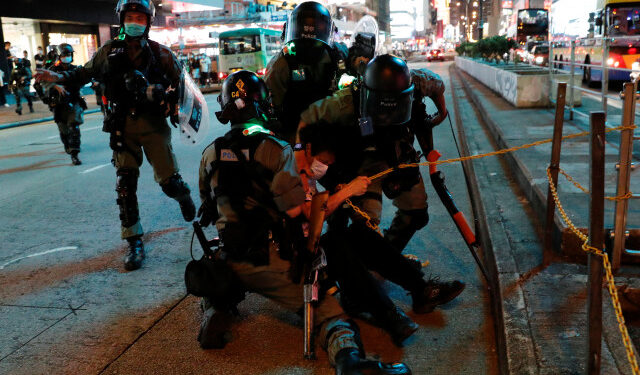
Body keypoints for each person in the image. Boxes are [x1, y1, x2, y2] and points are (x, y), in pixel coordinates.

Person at [197, 69, 411, 374]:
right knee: (332, 315)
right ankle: (350, 362)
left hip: (230, 259)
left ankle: (214, 309)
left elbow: (206, 203)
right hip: (272, 262)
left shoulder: (210, 153)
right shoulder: (276, 150)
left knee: (212, 272)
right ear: (264, 105)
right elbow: (300, 214)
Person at [35, 0, 196, 271]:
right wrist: (55, 77)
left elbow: (184, 89)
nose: (134, 22)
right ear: (122, 20)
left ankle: (183, 196)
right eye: (130, 17)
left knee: (170, 182)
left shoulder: (161, 54)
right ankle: (133, 240)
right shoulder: (108, 53)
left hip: (154, 126)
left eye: (140, 18)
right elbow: (81, 75)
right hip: (122, 125)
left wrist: (166, 98)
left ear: (148, 22)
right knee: (125, 185)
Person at [299, 54, 448, 253]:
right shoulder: (346, 100)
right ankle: (369, 261)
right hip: (365, 158)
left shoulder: (417, 82)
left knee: (417, 213)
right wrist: (301, 156)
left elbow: (438, 86)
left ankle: (388, 256)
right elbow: (306, 117)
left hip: (400, 152)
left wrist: (441, 113)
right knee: (365, 225)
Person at [264, 1, 347, 143]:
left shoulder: (337, 55)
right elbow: (269, 106)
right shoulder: (282, 64)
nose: (309, 47)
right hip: (295, 136)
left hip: (331, 134)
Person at [42, 43, 87, 165]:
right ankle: (67, 145)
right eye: (64, 54)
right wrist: (56, 86)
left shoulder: (76, 69)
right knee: (64, 131)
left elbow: (83, 79)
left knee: (74, 127)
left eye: (69, 54)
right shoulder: (52, 70)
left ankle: (74, 153)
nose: (67, 56)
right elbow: (43, 83)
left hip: (74, 101)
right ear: (58, 56)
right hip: (58, 104)